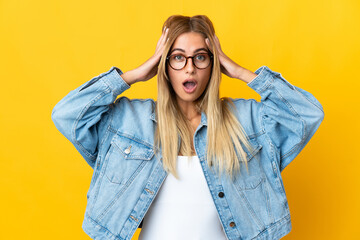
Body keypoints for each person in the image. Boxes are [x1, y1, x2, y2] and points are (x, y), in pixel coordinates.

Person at [51, 15, 324, 240]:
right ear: (165, 65)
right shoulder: (130, 121)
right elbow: (67, 115)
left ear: (213, 63)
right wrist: (133, 75)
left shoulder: (247, 121)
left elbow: (307, 114)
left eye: (201, 57)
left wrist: (241, 72)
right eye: (178, 57)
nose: (189, 68)